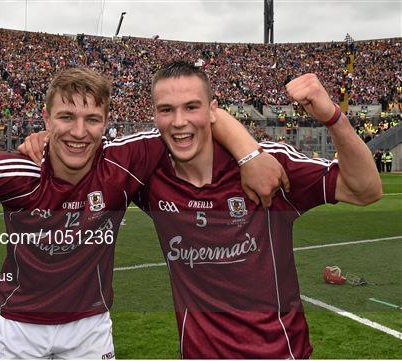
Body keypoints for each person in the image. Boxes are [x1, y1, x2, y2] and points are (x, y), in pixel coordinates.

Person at [0, 68, 287, 359]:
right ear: (45, 119)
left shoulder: (124, 160)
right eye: (65, 117)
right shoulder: (19, 171)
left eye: (92, 119)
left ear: (107, 123)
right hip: (19, 327)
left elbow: (197, 115)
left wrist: (250, 154)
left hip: (89, 328)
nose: (79, 131)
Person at [131, 63, 381, 358]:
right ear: (154, 116)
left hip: (279, 353)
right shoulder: (148, 175)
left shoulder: (270, 168)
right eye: (166, 110)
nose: (179, 121)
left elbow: (365, 189)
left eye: (191, 107)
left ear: (213, 110)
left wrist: (333, 117)